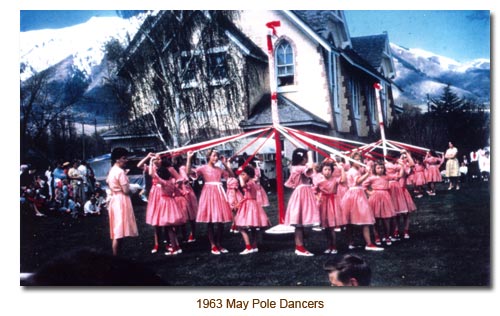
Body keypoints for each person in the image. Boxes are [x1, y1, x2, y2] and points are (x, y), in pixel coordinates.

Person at [186, 149, 235, 255]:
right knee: (210, 221)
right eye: (214, 156)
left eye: (217, 156)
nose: (216, 158)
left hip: (219, 193)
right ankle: (213, 245)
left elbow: (231, 175)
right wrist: (189, 158)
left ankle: (219, 244)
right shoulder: (203, 168)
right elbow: (188, 172)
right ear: (209, 157)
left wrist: (225, 164)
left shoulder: (219, 169)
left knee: (221, 221)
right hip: (208, 193)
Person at [341, 152, 383, 251]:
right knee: (364, 219)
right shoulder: (353, 171)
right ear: (352, 161)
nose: (359, 161)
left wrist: (367, 170)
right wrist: (368, 174)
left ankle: (352, 242)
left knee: (352, 221)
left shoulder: (357, 169)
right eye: (357, 160)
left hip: (356, 194)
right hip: (355, 195)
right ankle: (368, 243)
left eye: (360, 159)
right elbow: (358, 181)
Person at [284, 148, 320, 256]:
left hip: (304, 193)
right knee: (299, 223)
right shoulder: (299, 168)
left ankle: (300, 246)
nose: (305, 159)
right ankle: (299, 247)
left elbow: (311, 171)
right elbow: (309, 168)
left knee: (301, 222)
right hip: (302, 194)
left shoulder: (297, 168)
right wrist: (310, 156)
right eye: (304, 157)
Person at [106, 147, 139, 256]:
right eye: (124, 158)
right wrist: (134, 189)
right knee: (118, 232)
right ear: (117, 159)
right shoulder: (120, 172)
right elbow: (126, 190)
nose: (126, 160)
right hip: (121, 201)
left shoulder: (112, 170)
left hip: (115, 199)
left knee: (118, 231)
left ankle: (117, 257)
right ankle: (116, 259)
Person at [233, 166, 271, 255]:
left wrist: (239, 176)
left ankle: (248, 246)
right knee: (253, 226)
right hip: (252, 204)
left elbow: (242, 185)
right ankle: (254, 246)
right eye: (241, 175)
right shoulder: (253, 182)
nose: (242, 176)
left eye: (243, 174)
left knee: (241, 226)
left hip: (249, 205)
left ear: (249, 175)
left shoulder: (250, 182)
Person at [313, 158, 346, 254]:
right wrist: (317, 197)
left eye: (329, 170)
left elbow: (343, 180)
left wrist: (342, 169)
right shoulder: (319, 180)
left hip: (332, 203)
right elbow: (314, 191)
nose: (327, 172)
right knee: (325, 226)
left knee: (331, 226)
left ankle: (334, 246)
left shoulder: (335, 179)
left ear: (332, 171)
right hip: (323, 203)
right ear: (322, 171)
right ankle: (328, 245)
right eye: (325, 170)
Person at [363, 160, 395, 246]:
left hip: (385, 197)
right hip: (375, 198)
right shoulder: (372, 177)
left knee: (386, 218)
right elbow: (363, 185)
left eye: (382, 168)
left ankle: (387, 236)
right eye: (378, 168)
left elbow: (397, 176)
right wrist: (369, 192)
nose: (380, 169)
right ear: (375, 168)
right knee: (376, 219)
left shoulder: (386, 177)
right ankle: (377, 236)